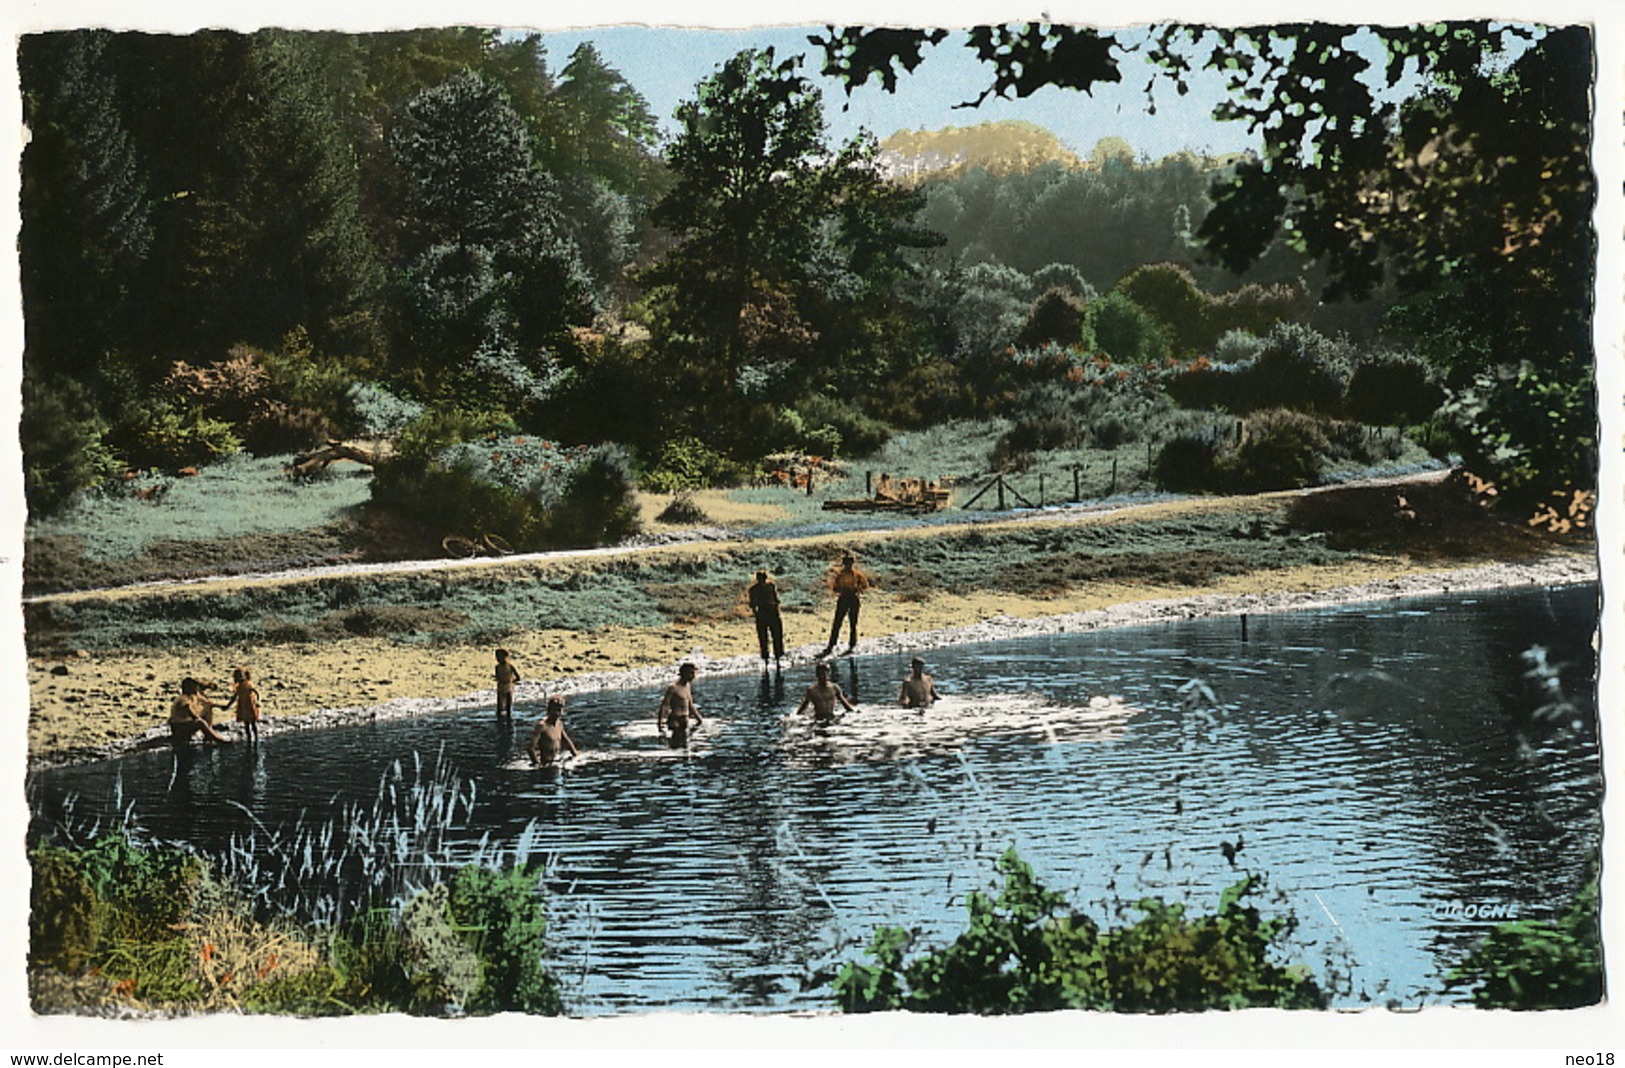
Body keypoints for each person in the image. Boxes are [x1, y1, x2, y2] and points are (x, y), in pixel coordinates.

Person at [819, 553, 870, 657]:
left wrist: (857, 590)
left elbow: (865, 585)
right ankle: (833, 643)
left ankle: (851, 643)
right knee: (838, 622)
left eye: (849, 564)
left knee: (852, 622)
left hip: (852, 598)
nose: (848, 566)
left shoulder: (856, 575)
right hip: (845, 598)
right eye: (847, 564)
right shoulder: (842, 575)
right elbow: (835, 587)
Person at [168, 676, 231, 746]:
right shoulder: (183, 698)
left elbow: (208, 702)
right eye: (194, 687)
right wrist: (200, 721)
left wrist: (222, 706)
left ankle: (208, 735)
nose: (196, 689)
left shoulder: (193, 696)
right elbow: (190, 712)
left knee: (207, 707)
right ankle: (218, 739)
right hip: (179, 728)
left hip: (186, 723)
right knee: (200, 722)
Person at [796, 661, 858, 726]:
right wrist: (797, 718)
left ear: (829, 674)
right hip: (818, 718)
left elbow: (844, 703)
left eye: (826, 673)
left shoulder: (834, 688)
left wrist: (854, 712)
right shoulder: (812, 690)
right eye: (821, 674)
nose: (824, 676)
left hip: (832, 717)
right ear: (817, 675)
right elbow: (804, 706)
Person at [657, 662, 703, 746]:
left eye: (694, 673)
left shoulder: (687, 686)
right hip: (675, 720)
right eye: (691, 673)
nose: (693, 676)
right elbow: (664, 705)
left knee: (685, 745)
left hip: (684, 720)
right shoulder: (673, 687)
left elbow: (690, 705)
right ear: (684, 673)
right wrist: (660, 723)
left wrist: (699, 719)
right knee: (677, 744)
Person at [527, 696, 578, 766]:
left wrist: (575, 753)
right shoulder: (542, 726)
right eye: (555, 710)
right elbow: (530, 748)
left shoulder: (559, 724)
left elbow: (566, 741)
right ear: (549, 710)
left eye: (559, 710)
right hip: (545, 763)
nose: (557, 713)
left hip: (556, 761)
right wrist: (537, 763)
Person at [748, 570, 785, 664]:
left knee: (775, 635)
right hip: (765, 612)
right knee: (765, 637)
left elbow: (776, 600)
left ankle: (776, 655)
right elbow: (753, 604)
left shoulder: (769, 586)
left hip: (770, 612)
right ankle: (767, 656)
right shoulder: (755, 589)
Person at [220, 666, 264, 742]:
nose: (240, 677)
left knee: (253, 723)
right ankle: (249, 738)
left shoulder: (248, 684)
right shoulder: (238, 687)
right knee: (246, 724)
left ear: (245, 676)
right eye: (238, 676)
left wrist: (257, 701)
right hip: (243, 707)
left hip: (250, 706)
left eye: (241, 675)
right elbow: (234, 697)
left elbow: (256, 692)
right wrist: (227, 706)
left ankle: (256, 738)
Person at [494, 648, 521, 719]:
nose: (498, 659)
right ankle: (500, 718)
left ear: (506, 656)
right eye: (497, 657)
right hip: (501, 687)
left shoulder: (510, 666)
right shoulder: (497, 667)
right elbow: (497, 677)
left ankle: (508, 718)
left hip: (508, 686)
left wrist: (512, 681)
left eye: (500, 657)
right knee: (499, 706)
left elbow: (518, 677)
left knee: (508, 707)